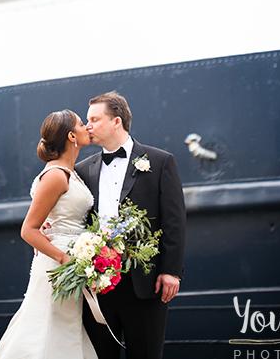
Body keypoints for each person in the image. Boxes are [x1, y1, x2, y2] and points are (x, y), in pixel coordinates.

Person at [76, 91, 187, 359]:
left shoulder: (160, 161)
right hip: (98, 285)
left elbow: (174, 220)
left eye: (94, 119)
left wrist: (171, 271)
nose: (87, 126)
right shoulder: (82, 169)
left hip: (146, 284)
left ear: (117, 121)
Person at [0, 109, 98, 359]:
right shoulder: (56, 176)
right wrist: (65, 259)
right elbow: (28, 229)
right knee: (47, 329)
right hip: (59, 265)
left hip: (68, 260)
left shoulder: (69, 172)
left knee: (62, 330)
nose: (87, 127)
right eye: (82, 124)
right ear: (71, 136)